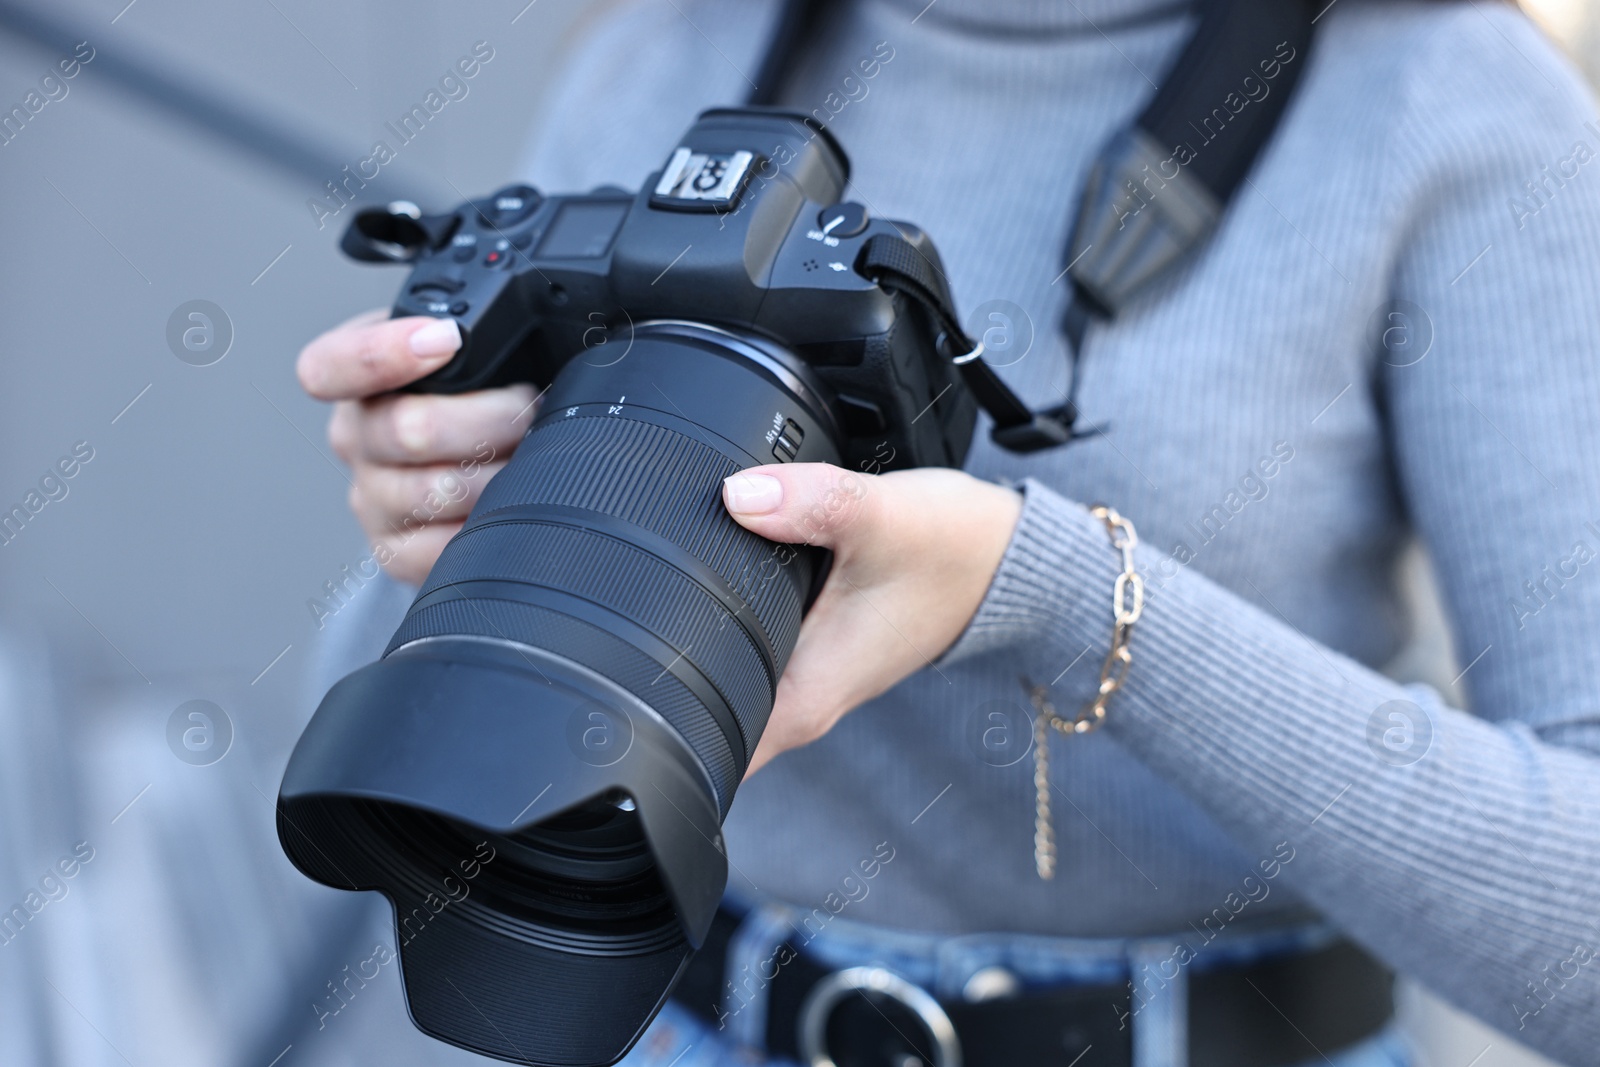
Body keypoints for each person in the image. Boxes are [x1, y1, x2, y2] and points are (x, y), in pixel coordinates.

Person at [296, 0, 1600, 1063]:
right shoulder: (668, 49)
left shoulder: (1454, 104)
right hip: (675, 1016)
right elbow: (386, 742)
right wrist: (431, 512)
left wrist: (1060, 598)